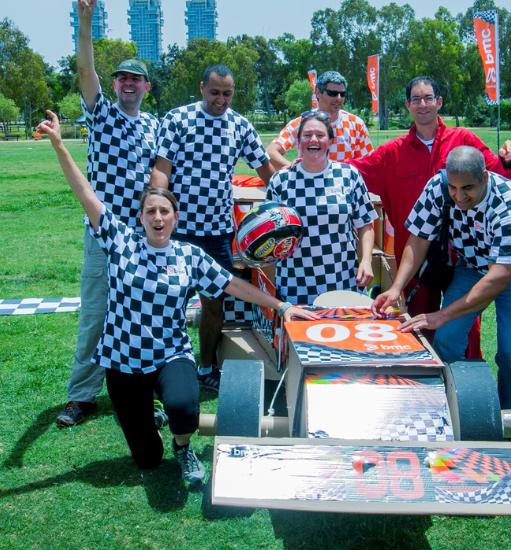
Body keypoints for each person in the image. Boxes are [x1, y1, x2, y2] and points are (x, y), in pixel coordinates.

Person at [38, 111, 316, 486]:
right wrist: (59, 144)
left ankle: (183, 446)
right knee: (148, 459)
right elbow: (85, 192)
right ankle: (152, 418)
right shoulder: (120, 241)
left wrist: (282, 306)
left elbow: (233, 285)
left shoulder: (189, 255)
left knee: (185, 410)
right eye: (150, 211)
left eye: (164, 211)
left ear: (175, 217)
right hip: (122, 360)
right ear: (140, 218)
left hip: (170, 354)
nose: (157, 217)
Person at [373, 146, 511, 439]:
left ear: (485, 177)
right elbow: (418, 240)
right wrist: (396, 287)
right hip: (472, 266)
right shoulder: (437, 187)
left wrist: (442, 314)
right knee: (447, 339)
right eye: (452, 187)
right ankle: (448, 414)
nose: (458, 196)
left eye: (468, 188)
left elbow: (499, 277)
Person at [351, 76, 511, 356]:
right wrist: (317, 165)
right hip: (416, 254)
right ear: (408, 105)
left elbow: (495, 174)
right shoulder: (392, 153)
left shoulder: (463, 140)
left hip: (463, 253)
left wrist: (508, 160)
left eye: (428, 98)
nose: (423, 104)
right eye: (416, 99)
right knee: (418, 324)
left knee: (465, 323)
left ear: (439, 102)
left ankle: (466, 374)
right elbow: (353, 172)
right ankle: (425, 373)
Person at [56, 0, 160, 427]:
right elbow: (85, 70)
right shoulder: (101, 114)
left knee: (143, 315)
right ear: (114, 84)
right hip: (103, 233)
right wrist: (85, 21)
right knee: (96, 315)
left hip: (141, 237)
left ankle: (147, 394)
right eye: (122, 78)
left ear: (147, 86)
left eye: (136, 78)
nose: (128, 84)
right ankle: (82, 396)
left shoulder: (154, 126)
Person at [150, 64, 275, 392]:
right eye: (215, 92)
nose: (221, 99)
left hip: (218, 231)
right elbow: (162, 169)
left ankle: (206, 367)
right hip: (178, 231)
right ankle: (158, 370)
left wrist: (288, 199)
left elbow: (266, 170)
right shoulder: (178, 119)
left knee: (215, 303)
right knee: (167, 302)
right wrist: (157, 210)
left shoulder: (240, 125)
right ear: (202, 87)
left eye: (227, 94)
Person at [266, 112, 377, 305]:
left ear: (331, 141)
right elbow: (270, 235)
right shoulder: (280, 181)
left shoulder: (348, 175)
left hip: (343, 279)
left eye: (320, 135)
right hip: (295, 284)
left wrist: (366, 261)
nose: (313, 140)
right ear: (298, 141)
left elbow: (366, 224)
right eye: (307, 135)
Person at [267, 71, 372, 170]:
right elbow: (271, 152)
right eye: (332, 93)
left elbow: (368, 161)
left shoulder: (356, 124)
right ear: (318, 93)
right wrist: (293, 170)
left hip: (342, 182)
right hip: (309, 182)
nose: (339, 98)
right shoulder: (302, 123)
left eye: (342, 94)